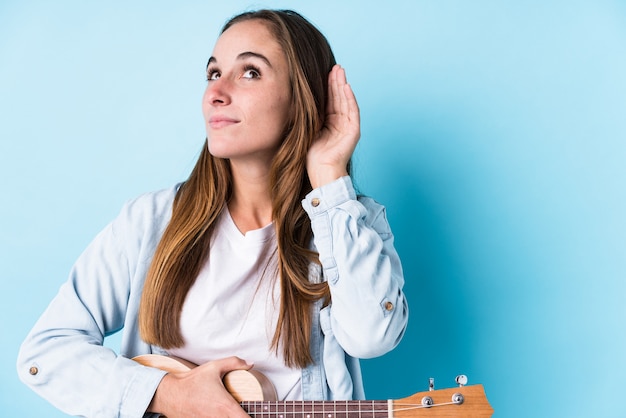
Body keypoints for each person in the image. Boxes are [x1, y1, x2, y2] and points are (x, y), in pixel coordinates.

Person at [17, 9, 408, 418]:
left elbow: (371, 338)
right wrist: (167, 394)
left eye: (250, 72)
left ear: (301, 98)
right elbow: (45, 352)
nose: (216, 93)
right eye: (212, 73)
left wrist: (329, 178)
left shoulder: (348, 222)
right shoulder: (148, 222)